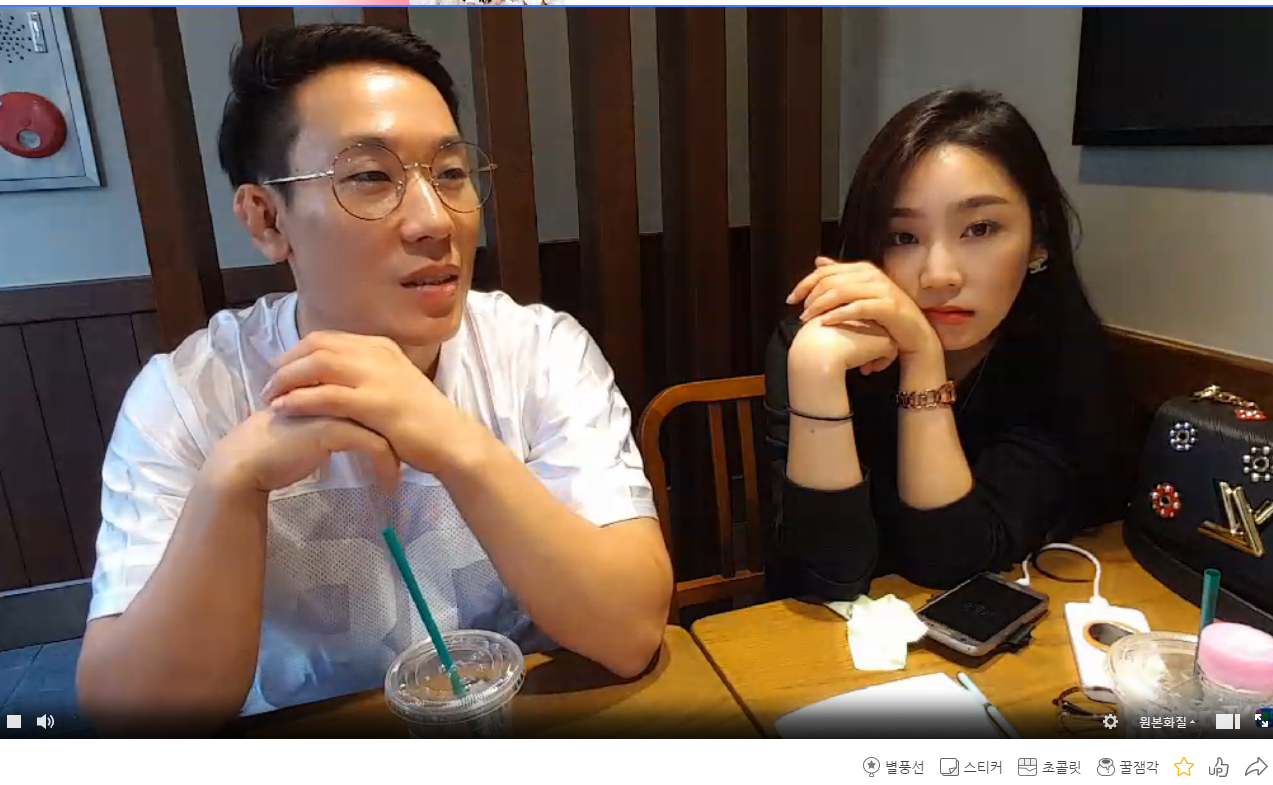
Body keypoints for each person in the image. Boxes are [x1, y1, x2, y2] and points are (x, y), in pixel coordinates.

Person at [76, 24, 671, 731]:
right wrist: (230, 485)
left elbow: (629, 633)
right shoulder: (189, 397)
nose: (434, 220)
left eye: (450, 173)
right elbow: (135, 721)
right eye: (369, 178)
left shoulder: (539, 353)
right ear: (266, 219)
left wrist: (456, 443)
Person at [764, 89, 1133, 601]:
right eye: (903, 237)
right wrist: (815, 370)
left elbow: (949, 559)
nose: (939, 275)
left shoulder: (1063, 362)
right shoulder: (819, 345)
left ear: (1039, 240)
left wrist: (922, 359)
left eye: (980, 228)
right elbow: (823, 579)